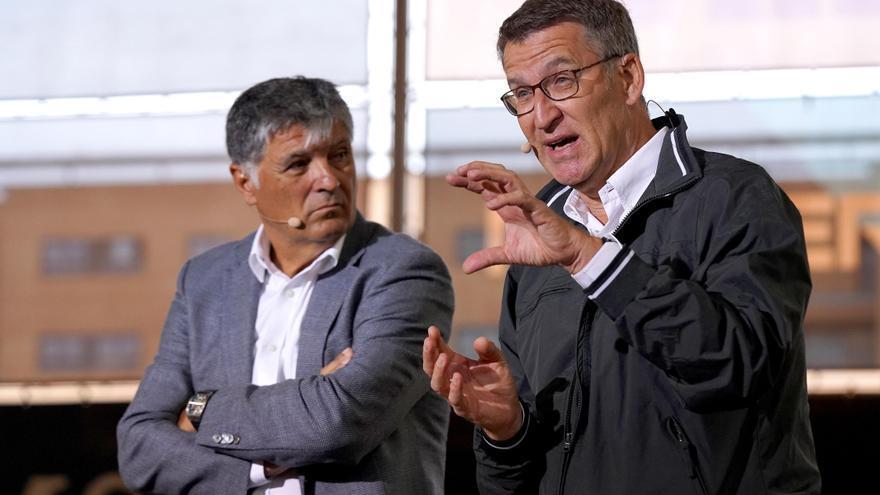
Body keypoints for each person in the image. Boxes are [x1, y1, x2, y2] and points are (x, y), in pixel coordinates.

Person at [422, 1, 821, 493]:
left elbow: (737, 364)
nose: (541, 116)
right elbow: (514, 483)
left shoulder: (736, 197)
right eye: (522, 94)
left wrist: (587, 257)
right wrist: (507, 430)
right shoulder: (537, 228)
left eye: (562, 80)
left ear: (628, 77)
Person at [117, 76, 454, 495]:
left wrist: (202, 410)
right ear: (246, 183)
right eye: (299, 164)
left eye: (340, 155)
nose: (329, 179)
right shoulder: (203, 281)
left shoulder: (404, 271)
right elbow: (138, 448)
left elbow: (339, 424)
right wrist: (267, 456)